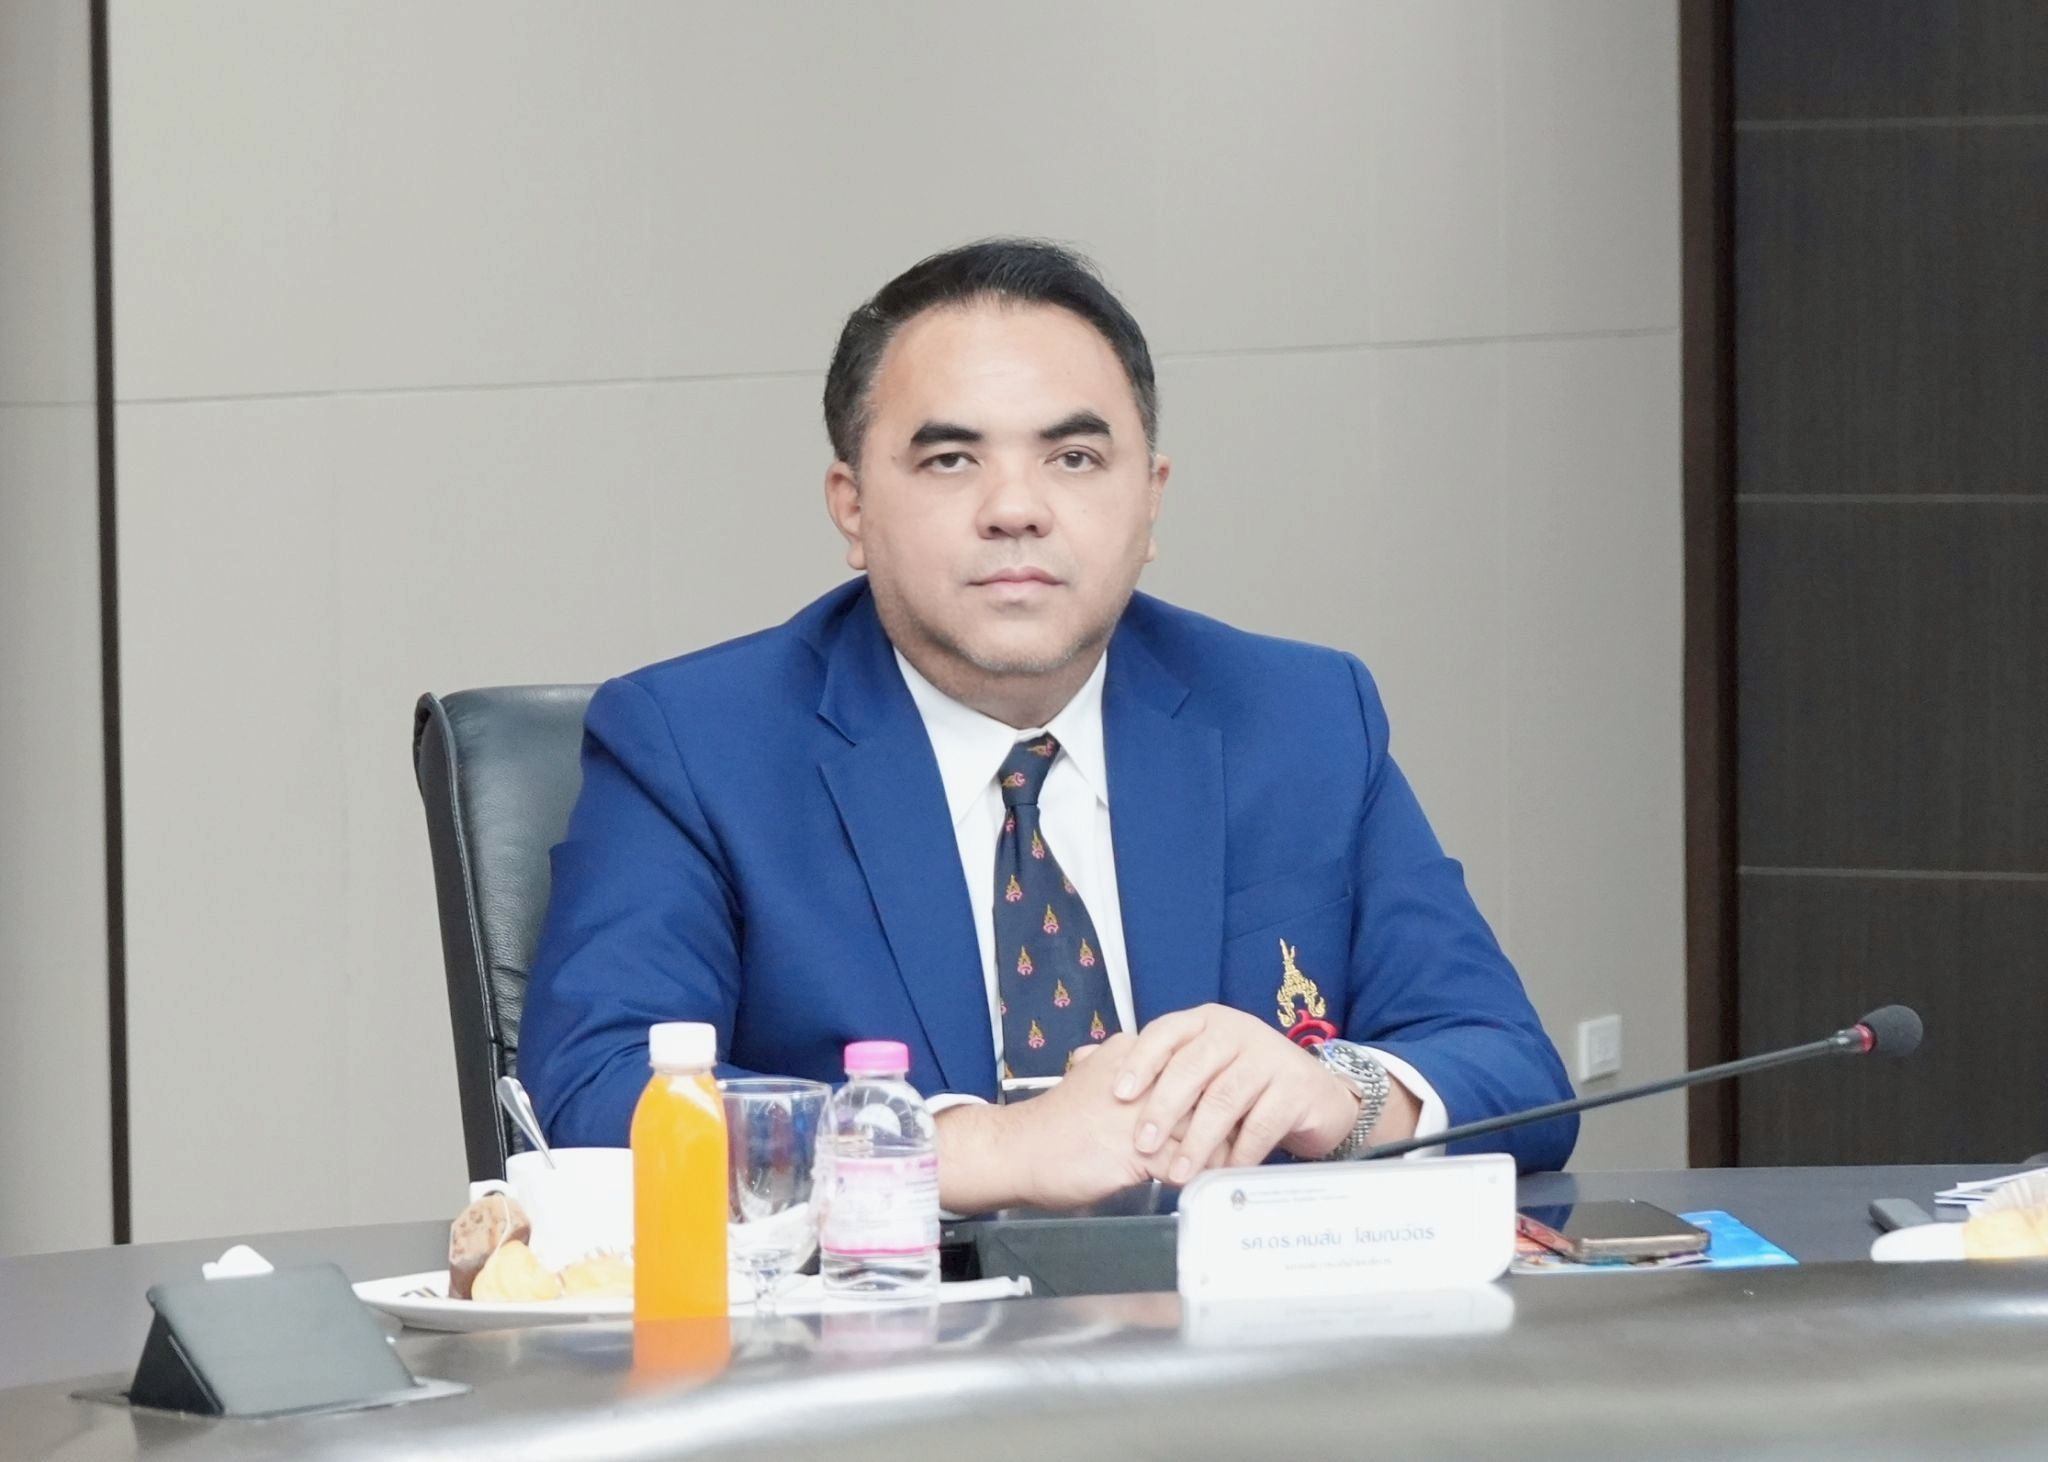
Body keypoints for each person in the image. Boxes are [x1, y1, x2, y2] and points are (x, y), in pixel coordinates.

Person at [521, 239, 1576, 1212]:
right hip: (880, 1338)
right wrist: (987, 1149)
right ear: (852, 506)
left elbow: (1509, 1065)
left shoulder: (1298, 717)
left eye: (1073, 458)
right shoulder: (695, 744)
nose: (1015, 508)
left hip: (1245, 1337)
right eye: (950, 460)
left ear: (1149, 498)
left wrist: (1334, 1094)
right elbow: (595, 1093)